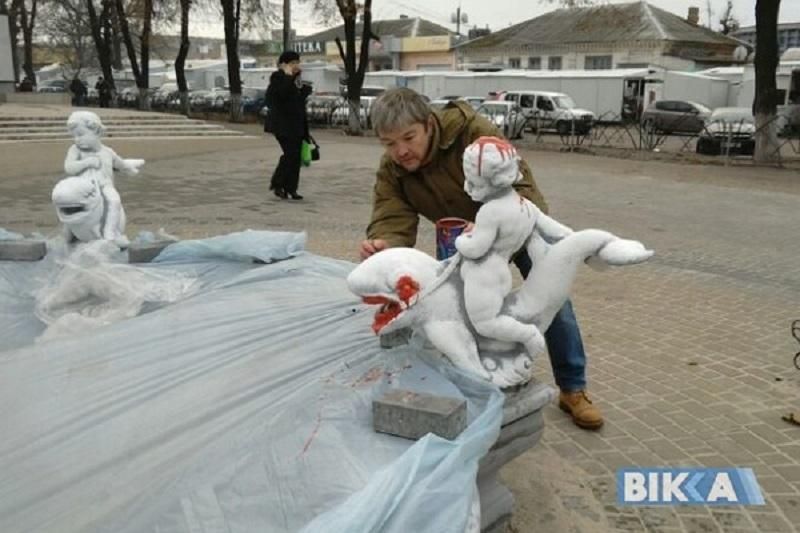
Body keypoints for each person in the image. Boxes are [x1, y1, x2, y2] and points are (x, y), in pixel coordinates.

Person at [360, 87, 603, 430]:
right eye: (388, 143)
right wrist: (385, 244)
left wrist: (495, 222)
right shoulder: (394, 168)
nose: (400, 151)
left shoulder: (473, 132)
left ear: (429, 124)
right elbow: (392, 213)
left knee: (555, 303)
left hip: (515, 232)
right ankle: (478, 382)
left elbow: (520, 185)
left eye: (408, 138)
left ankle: (573, 388)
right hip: (463, 245)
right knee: (458, 312)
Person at [64, 111, 144, 247]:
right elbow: (69, 168)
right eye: (74, 136)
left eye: (81, 134)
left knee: (114, 200)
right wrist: (86, 162)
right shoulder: (75, 150)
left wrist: (130, 167)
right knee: (68, 204)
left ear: (97, 132)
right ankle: (68, 234)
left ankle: (110, 233)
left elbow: (120, 164)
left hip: (104, 186)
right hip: (83, 188)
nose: (77, 139)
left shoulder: (107, 152)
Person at [265, 50, 311, 200]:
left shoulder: (296, 79)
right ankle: (278, 184)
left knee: (295, 157)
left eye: (297, 62)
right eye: (292, 63)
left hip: (297, 125)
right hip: (282, 125)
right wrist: (289, 77)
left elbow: (296, 103)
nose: (296, 66)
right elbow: (280, 96)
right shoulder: (278, 77)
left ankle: (291, 188)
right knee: (290, 155)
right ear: (284, 65)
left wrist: (304, 91)